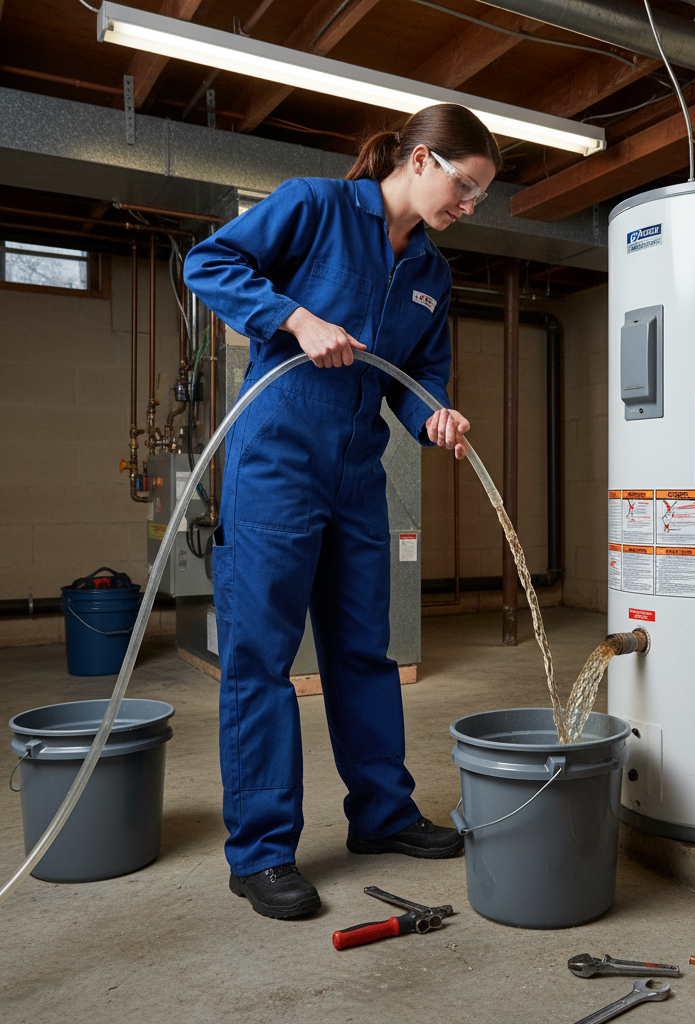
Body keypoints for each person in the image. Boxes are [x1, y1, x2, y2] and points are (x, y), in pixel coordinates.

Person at [183, 103, 499, 919]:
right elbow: (208, 263)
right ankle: (258, 855)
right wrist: (294, 316)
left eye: (478, 197)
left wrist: (436, 417)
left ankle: (382, 816)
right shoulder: (315, 205)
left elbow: (415, 384)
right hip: (278, 464)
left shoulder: (432, 273)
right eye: (464, 186)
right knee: (262, 659)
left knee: (364, 653)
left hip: (360, 472)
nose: (467, 206)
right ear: (421, 160)